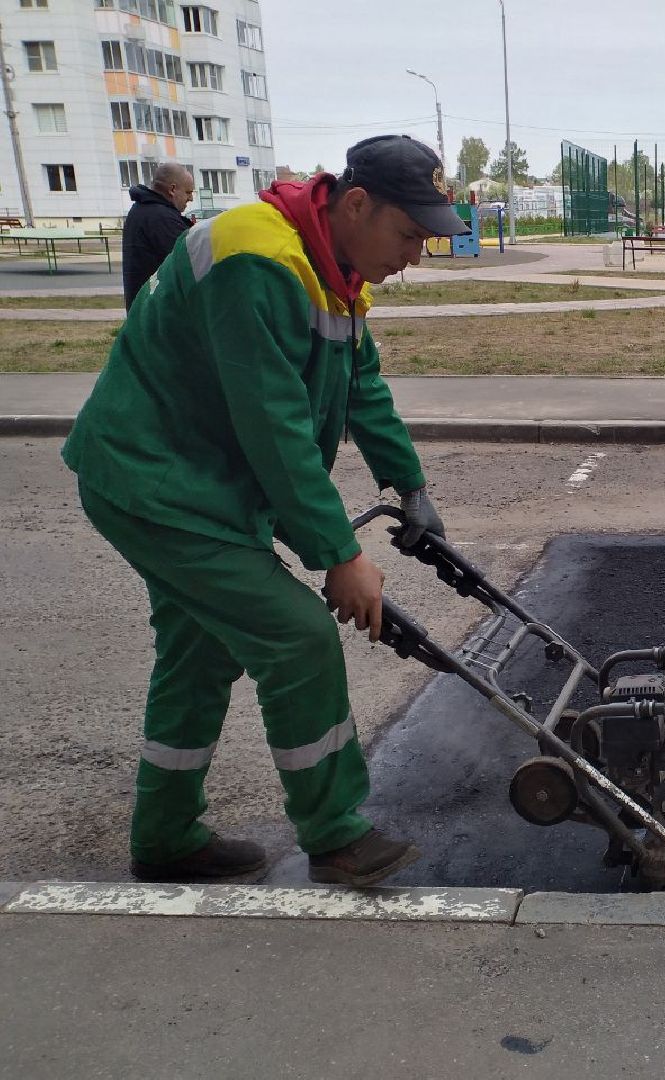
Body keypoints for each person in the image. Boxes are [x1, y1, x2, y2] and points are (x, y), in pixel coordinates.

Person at [62, 135, 468, 887]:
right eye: (409, 234)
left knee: (199, 654)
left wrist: (409, 485)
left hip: (203, 483)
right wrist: (339, 556)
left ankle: (165, 837)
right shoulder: (256, 258)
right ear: (356, 205)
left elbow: (362, 386)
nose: (414, 256)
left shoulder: (333, 270)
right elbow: (273, 425)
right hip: (157, 482)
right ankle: (335, 834)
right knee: (298, 638)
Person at [121, 163, 195, 309]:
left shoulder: (142, 209)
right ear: (172, 189)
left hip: (145, 307)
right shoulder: (161, 218)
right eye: (188, 192)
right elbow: (190, 262)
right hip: (158, 310)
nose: (191, 198)